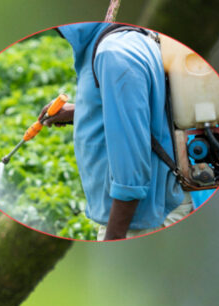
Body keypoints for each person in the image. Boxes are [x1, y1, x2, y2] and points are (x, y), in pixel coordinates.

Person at [40, 22, 191, 240]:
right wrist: (82, 111)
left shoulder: (112, 55)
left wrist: (114, 236)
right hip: (137, 217)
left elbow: (131, 170)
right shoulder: (120, 40)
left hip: (140, 221)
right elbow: (140, 112)